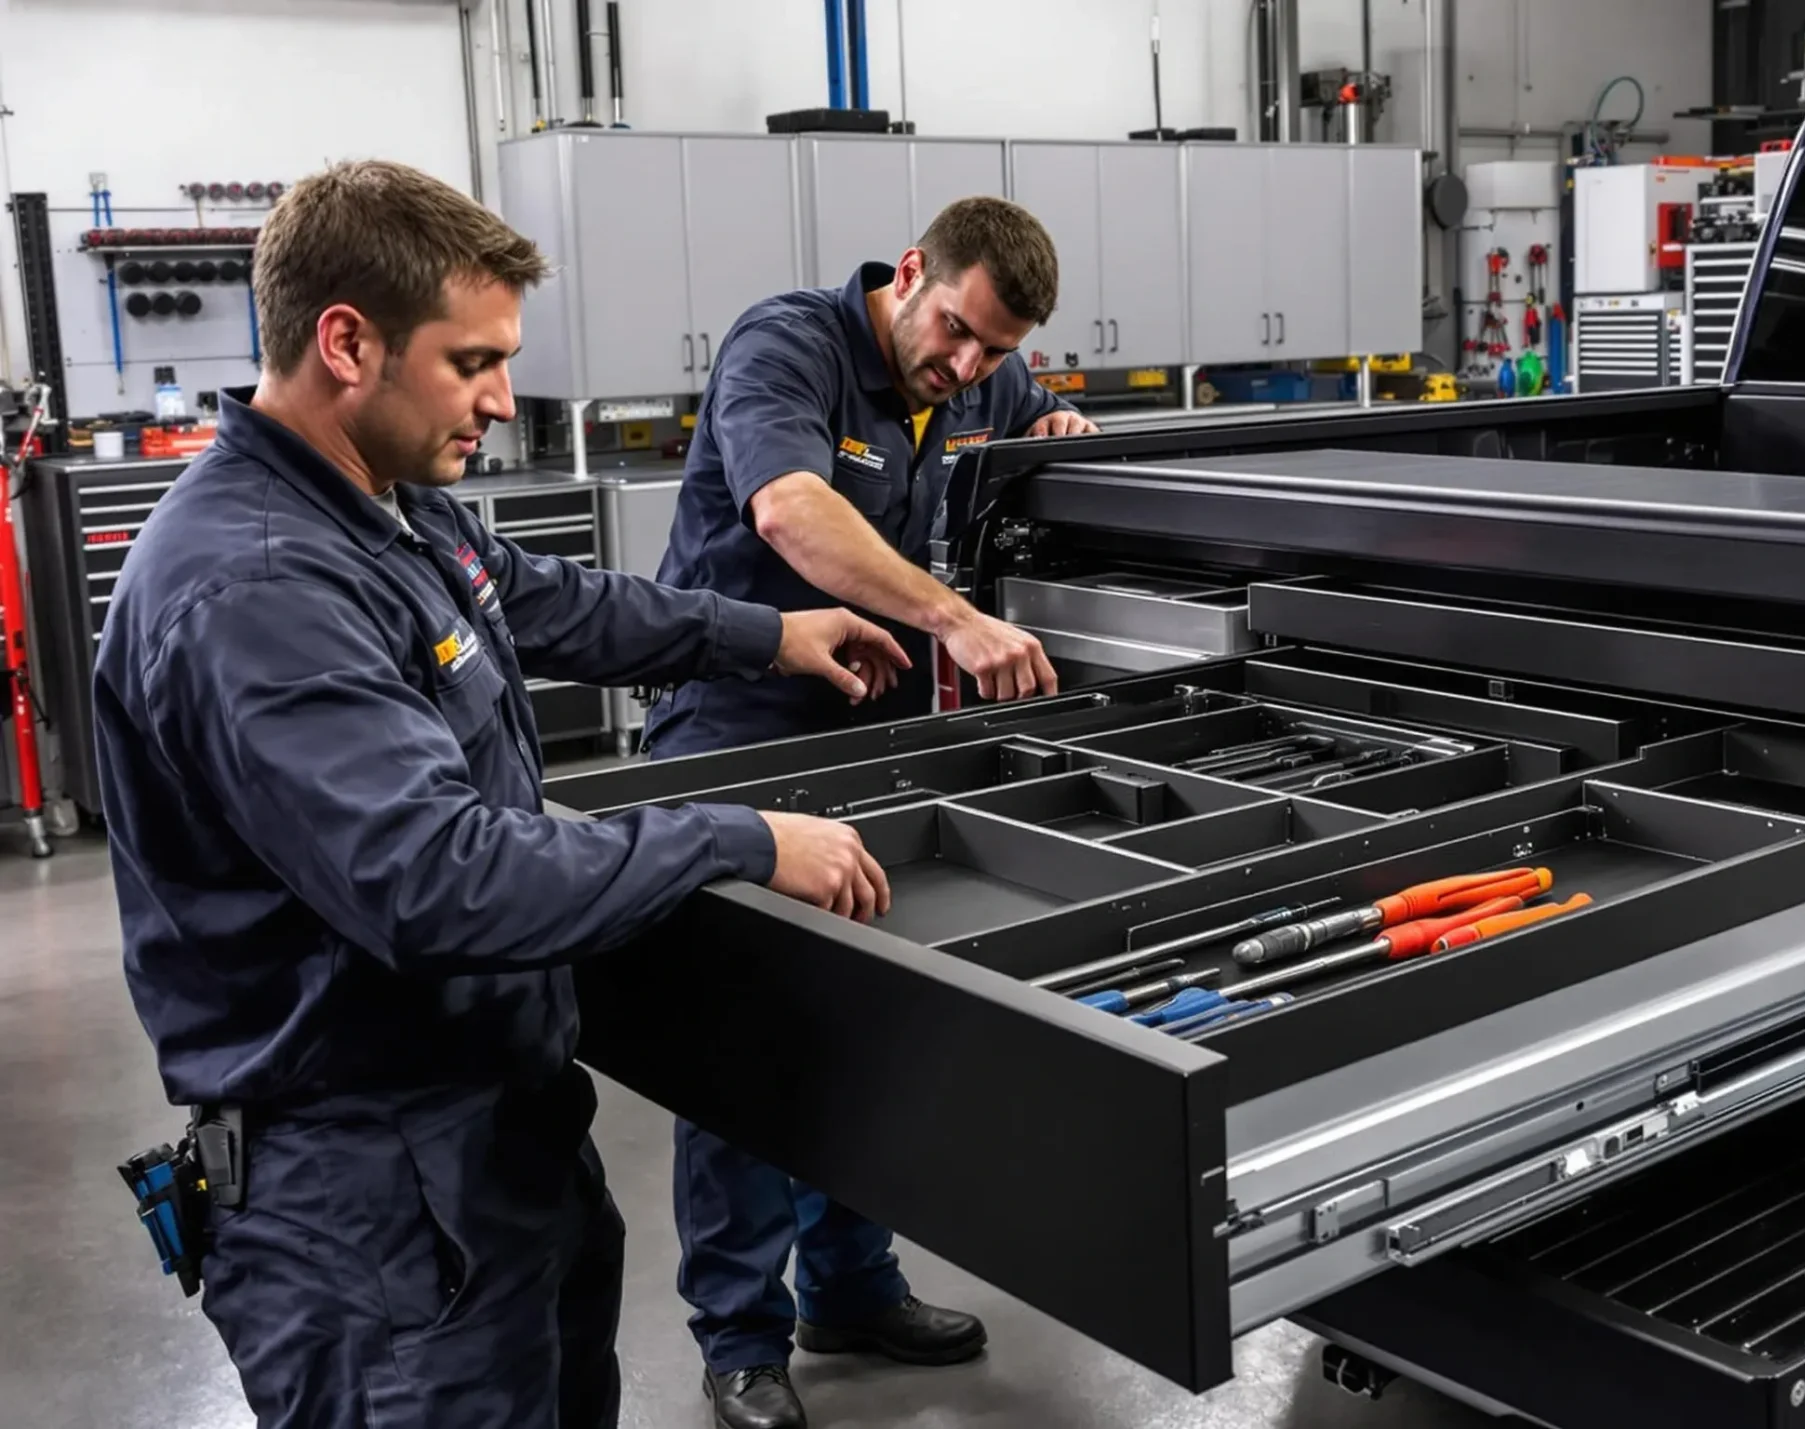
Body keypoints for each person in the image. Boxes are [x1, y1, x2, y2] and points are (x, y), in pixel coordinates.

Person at [91, 158, 907, 1429]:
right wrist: (735, 838)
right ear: (348, 342)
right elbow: (437, 879)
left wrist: (768, 633)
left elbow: (553, 603)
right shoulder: (257, 588)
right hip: (367, 1207)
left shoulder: (392, 507)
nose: (501, 397)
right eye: (473, 361)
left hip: (491, 1135)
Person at [646, 195, 1097, 1429]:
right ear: (909, 273)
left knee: (864, 1018)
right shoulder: (784, 345)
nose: (966, 367)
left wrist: (1052, 425)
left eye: (995, 353)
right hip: (735, 725)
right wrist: (955, 618)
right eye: (954, 332)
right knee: (742, 1033)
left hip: (864, 739)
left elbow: (1029, 422)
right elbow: (791, 509)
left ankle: (849, 1285)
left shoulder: (979, 378)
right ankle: (740, 1335)